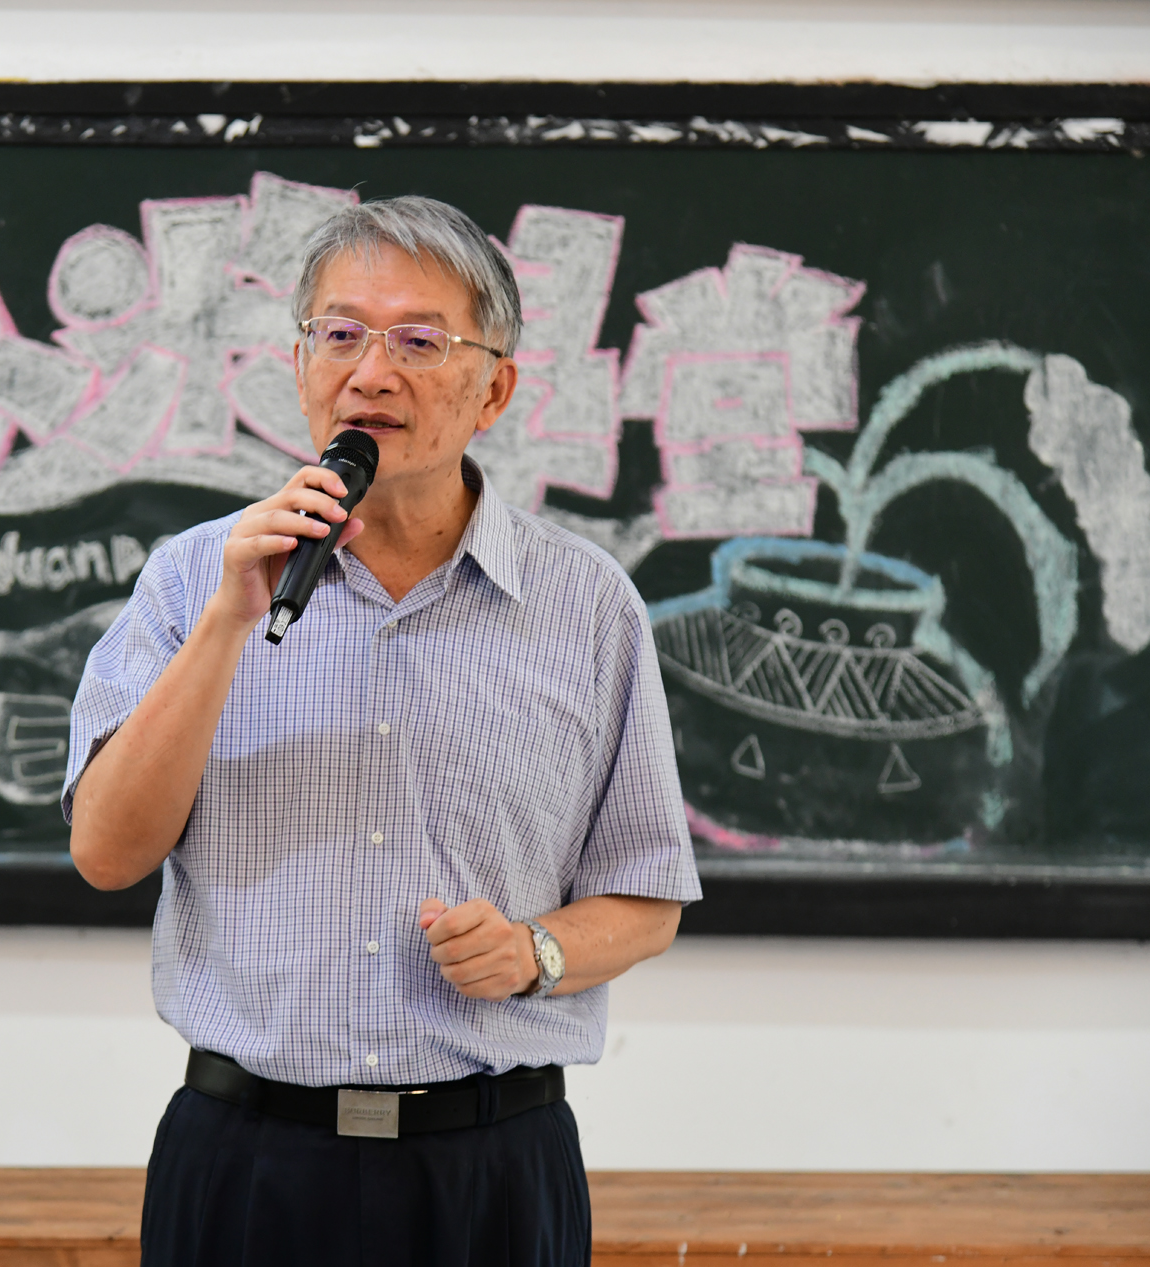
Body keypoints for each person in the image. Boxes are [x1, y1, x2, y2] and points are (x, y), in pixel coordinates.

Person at [62, 195, 700, 1267]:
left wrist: (535, 950)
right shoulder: (191, 579)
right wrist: (229, 619)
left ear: (493, 386)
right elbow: (106, 851)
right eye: (340, 334)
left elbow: (644, 895)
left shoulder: (586, 604)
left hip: (488, 1169)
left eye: (418, 341)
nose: (371, 372)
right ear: (300, 361)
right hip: (249, 1158)